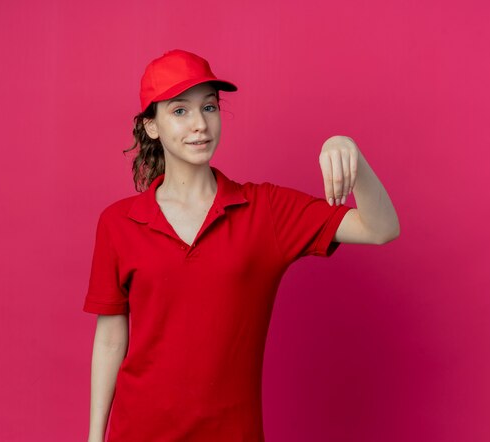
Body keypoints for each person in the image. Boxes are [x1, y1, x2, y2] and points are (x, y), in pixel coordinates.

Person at [83, 49, 399, 442]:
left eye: (210, 107)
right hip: (138, 432)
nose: (200, 124)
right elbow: (112, 337)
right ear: (151, 126)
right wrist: (95, 438)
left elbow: (381, 228)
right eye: (179, 111)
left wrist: (352, 153)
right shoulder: (118, 223)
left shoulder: (265, 210)